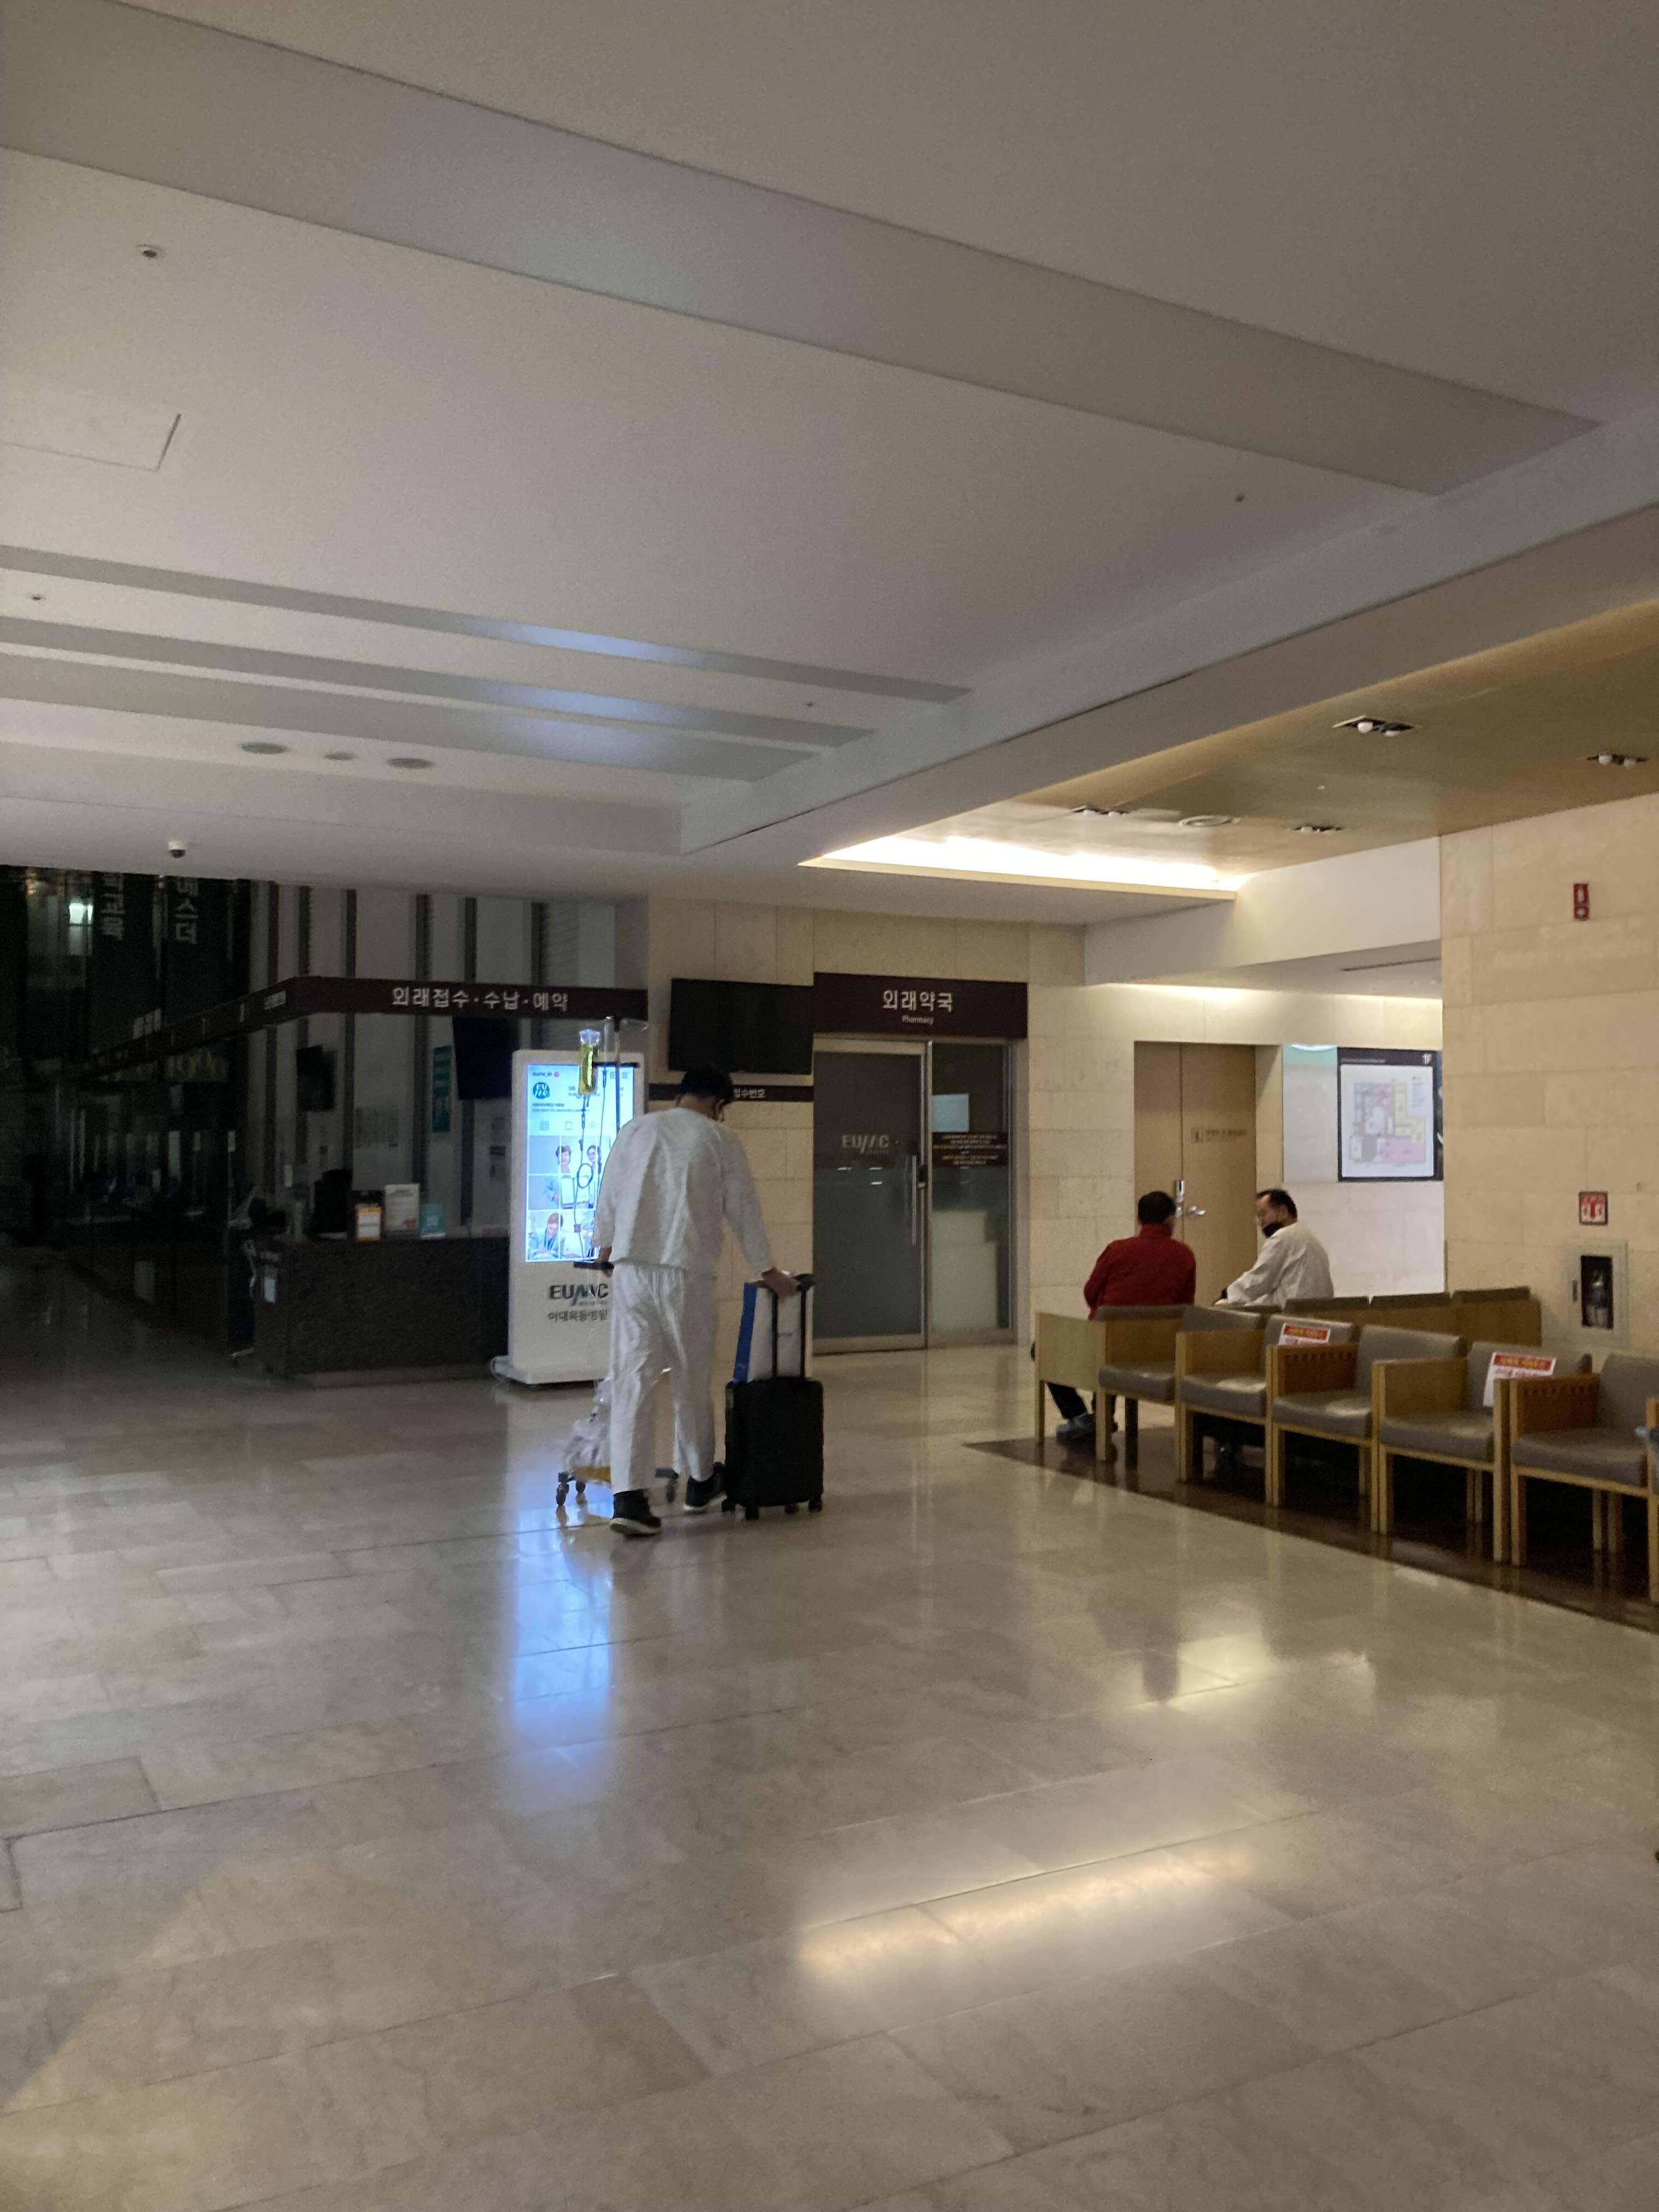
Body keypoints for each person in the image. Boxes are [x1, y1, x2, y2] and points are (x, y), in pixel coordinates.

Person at [593, 1065, 796, 1537]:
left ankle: (629, 1498)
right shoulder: (720, 1140)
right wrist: (766, 1268)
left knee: (633, 1379)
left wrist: (605, 1244)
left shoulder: (636, 1129)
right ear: (718, 1104)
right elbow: (743, 1206)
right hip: (686, 1270)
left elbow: (610, 1191)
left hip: (631, 1268)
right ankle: (700, 1480)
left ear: (681, 1093)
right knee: (690, 1376)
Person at [1047, 1190, 1197, 1445]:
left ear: (1139, 1219)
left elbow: (1090, 1292)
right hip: (1159, 1350)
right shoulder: (1185, 1255)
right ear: (1171, 1220)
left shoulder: (1117, 1250)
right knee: (1116, 1346)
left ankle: (1080, 1416)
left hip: (1107, 1345)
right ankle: (1099, 1415)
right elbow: (1186, 1305)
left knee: (1044, 1347)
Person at [1221, 1188, 1334, 1307]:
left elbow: (1258, 1280)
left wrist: (1226, 1295)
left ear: (1283, 1212)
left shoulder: (1283, 1236)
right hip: (1316, 1313)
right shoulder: (1311, 1240)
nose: (1261, 1222)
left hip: (1291, 1314)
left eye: (1263, 1214)